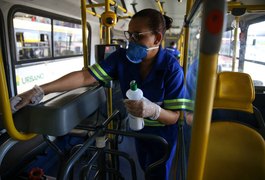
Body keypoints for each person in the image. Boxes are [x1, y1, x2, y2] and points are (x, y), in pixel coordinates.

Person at [11, 8, 187, 180]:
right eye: (129, 35)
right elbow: (85, 76)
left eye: (138, 36)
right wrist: (40, 90)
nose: (131, 41)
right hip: (138, 129)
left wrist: (154, 111)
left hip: (162, 134)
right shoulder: (122, 58)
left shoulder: (172, 69)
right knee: (144, 166)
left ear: (157, 38)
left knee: (158, 172)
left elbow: (174, 117)